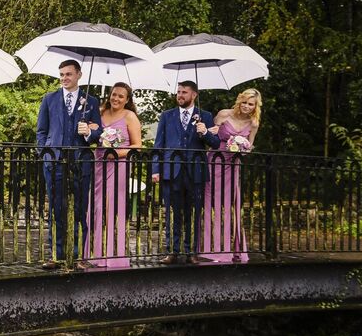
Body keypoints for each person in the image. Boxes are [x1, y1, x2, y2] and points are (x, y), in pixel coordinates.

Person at [36, 59, 103, 270]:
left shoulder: (91, 101)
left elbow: (99, 131)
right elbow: (41, 131)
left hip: (81, 162)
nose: (64, 78)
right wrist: (45, 154)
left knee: (80, 209)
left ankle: (78, 255)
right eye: (62, 74)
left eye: (68, 74)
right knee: (56, 209)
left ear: (79, 75)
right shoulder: (49, 99)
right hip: (54, 162)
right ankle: (56, 255)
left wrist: (89, 132)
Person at [152, 81, 221, 264]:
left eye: (184, 92)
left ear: (194, 95)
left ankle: (191, 252)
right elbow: (158, 145)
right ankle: (172, 251)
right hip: (171, 171)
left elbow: (215, 143)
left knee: (194, 213)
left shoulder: (205, 116)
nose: (180, 95)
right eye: (179, 92)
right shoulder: (167, 116)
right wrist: (156, 170)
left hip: (195, 172)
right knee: (172, 213)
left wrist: (205, 132)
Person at [86, 82, 142, 268]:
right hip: (99, 164)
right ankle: (94, 253)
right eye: (114, 94)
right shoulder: (100, 113)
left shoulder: (130, 116)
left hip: (119, 166)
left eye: (120, 96)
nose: (116, 98)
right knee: (95, 206)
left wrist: (116, 153)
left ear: (127, 100)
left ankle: (112, 255)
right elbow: (92, 137)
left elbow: (137, 146)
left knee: (112, 207)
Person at [203, 88, 262, 263]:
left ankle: (230, 250)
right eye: (244, 102)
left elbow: (250, 147)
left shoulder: (254, 123)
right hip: (215, 161)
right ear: (239, 101)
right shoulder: (224, 114)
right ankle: (209, 249)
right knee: (209, 203)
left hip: (233, 164)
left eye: (250, 104)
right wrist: (211, 131)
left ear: (255, 106)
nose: (246, 106)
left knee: (230, 205)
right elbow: (210, 137)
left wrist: (242, 147)